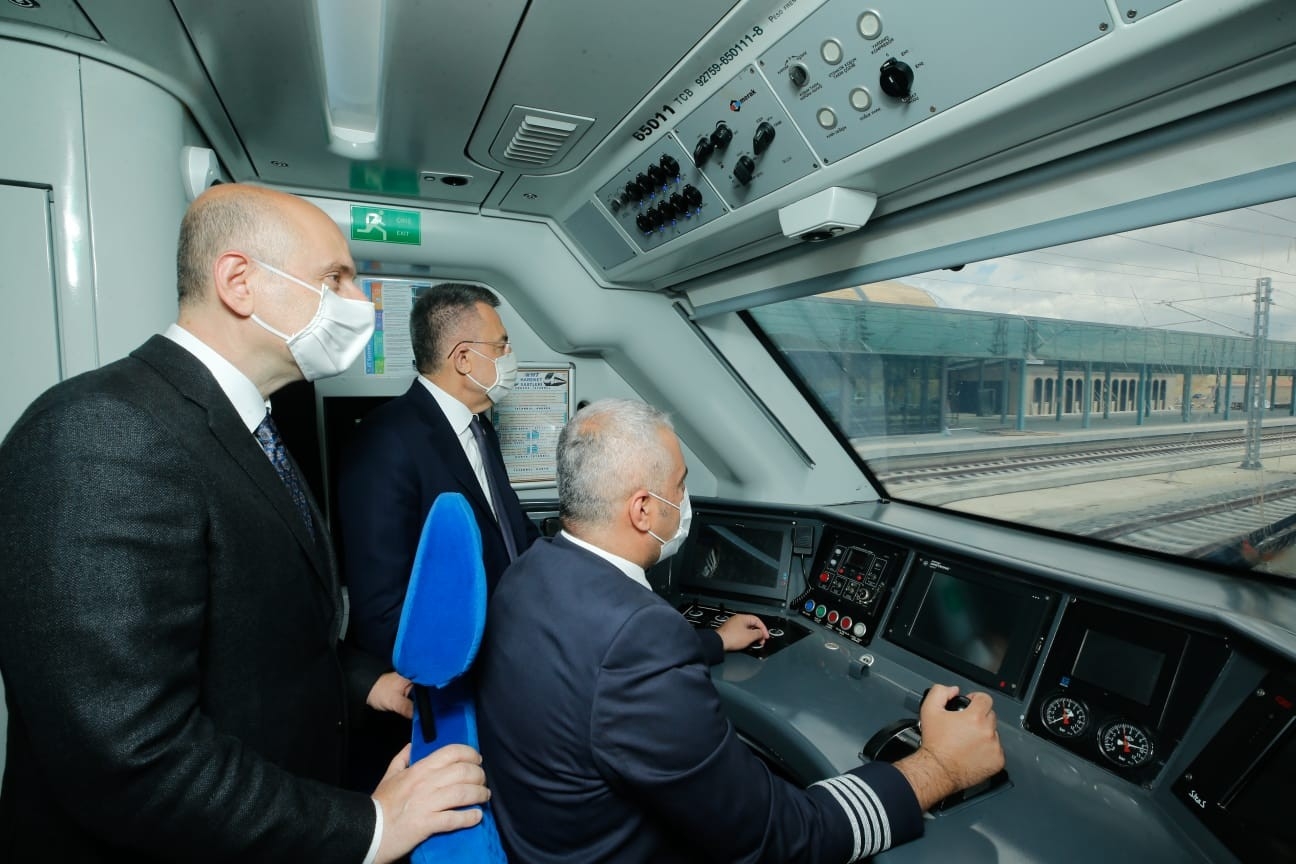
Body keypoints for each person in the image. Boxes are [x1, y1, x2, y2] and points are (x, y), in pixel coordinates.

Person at [0, 183, 489, 863]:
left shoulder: (252, 425)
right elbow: (129, 754)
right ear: (239, 282)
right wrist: (371, 827)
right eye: (335, 278)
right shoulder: (101, 430)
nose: (359, 302)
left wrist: (364, 681)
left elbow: (262, 626)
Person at [476, 398, 1006, 863]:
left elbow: (591, 663)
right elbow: (782, 838)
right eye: (680, 486)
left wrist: (712, 640)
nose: (686, 499)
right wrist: (940, 766)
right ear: (643, 510)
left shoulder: (530, 570)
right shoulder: (638, 640)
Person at [337, 283, 544, 790]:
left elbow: (512, 536)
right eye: (502, 345)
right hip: (437, 695)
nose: (510, 356)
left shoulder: (479, 429)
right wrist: (488, 665)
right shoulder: (385, 440)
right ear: (464, 358)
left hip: (500, 674)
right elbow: (382, 613)